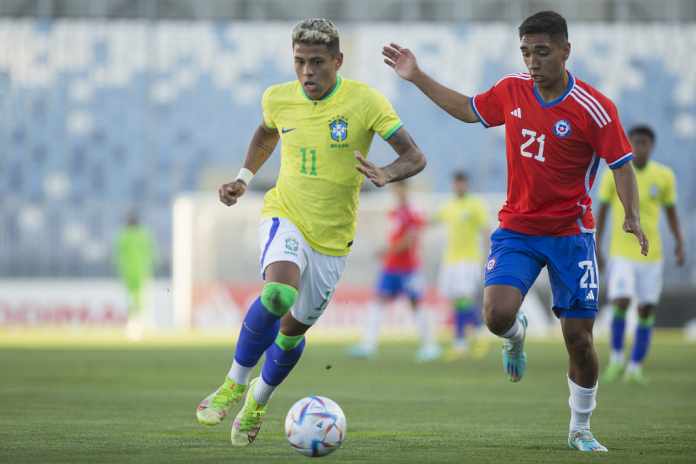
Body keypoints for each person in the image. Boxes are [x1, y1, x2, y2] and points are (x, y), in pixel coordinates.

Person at [383, 10, 648, 452]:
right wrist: (417, 77)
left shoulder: (595, 108)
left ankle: (580, 427)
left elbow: (621, 165)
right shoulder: (511, 91)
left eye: (541, 52)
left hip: (571, 235)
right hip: (517, 230)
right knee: (496, 316)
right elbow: (468, 110)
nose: (532, 61)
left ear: (566, 50)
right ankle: (515, 336)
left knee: (579, 340)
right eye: (526, 52)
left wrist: (632, 215)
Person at [195, 18, 427, 446]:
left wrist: (386, 172)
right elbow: (267, 132)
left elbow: (414, 156)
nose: (307, 72)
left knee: (290, 333)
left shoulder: (366, 102)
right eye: (300, 62)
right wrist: (244, 177)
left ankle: (257, 402)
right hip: (285, 213)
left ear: (337, 61)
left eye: (317, 63)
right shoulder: (278, 98)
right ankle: (233, 383)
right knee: (277, 293)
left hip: (333, 240)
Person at [597, 125, 685, 384]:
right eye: (635, 142)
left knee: (646, 309)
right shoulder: (615, 172)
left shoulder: (664, 176)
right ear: (628, 143)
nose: (639, 148)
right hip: (621, 252)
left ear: (652, 146)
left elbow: (671, 213)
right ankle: (615, 359)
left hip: (651, 255)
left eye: (644, 143)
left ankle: (635, 366)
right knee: (621, 300)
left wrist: (680, 243)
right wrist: (597, 245)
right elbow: (601, 210)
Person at [350, 181, 441, 362]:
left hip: (408, 268)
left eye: (400, 188)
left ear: (406, 189)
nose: (397, 192)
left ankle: (430, 346)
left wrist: (388, 250)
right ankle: (368, 345)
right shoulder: (396, 211)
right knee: (378, 303)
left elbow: (410, 239)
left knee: (416, 304)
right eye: (395, 189)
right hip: (391, 267)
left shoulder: (411, 212)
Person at [434, 171, 490, 360]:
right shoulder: (449, 206)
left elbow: (485, 230)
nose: (459, 187)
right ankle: (478, 333)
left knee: (464, 299)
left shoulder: (475, 205)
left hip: (469, 260)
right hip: (450, 260)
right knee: (457, 301)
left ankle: (463, 341)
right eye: (456, 183)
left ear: (466, 184)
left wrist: (487, 256)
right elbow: (432, 220)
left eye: (462, 183)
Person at [115, 211, 155, 340]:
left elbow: (119, 256)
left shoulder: (125, 235)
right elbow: (151, 254)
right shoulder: (141, 235)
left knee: (134, 299)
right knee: (138, 300)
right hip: (138, 273)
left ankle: (135, 325)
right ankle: (136, 325)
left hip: (133, 273)